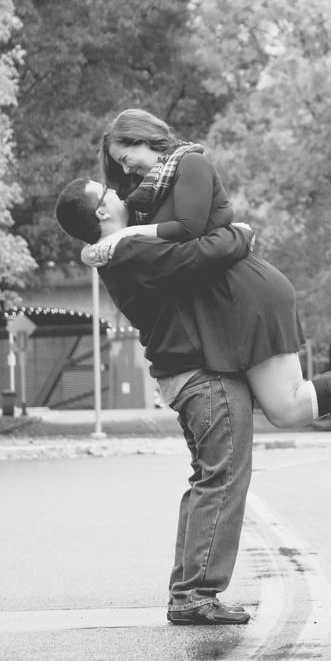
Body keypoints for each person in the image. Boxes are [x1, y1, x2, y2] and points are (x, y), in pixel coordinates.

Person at [91, 109, 331, 429]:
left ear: (145, 138)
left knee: (289, 405)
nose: (126, 169)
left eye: (126, 157)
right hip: (228, 303)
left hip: (249, 297)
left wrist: (129, 233)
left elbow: (189, 231)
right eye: (119, 165)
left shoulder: (190, 164)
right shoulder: (152, 192)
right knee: (285, 412)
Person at [56, 178, 256, 627]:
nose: (119, 194)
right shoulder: (127, 250)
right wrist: (241, 233)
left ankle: (188, 589)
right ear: (102, 213)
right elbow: (199, 255)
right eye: (108, 192)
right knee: (222, 479)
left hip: (183, 373)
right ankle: (194, 594)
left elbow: (149, 202)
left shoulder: (118, 248)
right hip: (201, 373)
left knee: (209, 477)